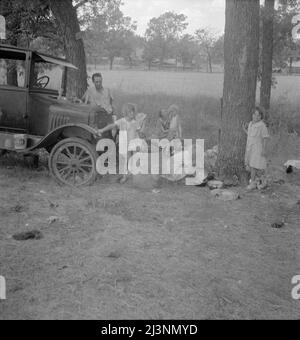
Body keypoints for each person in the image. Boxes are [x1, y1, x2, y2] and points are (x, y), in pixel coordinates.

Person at [98, 103, 143, 184]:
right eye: (130, 112)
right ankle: (125, 176)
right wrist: (102, 130)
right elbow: (112, 126)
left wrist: (142, 124)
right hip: (124, 144)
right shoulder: (121, 121)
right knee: (125, 160)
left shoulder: (135, 122)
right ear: (126, 113)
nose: (132, 113)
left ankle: (135, 174)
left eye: (133, 111)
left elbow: (139, 132)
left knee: (134, 159)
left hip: (133, 143)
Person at [243, 107, 270, 190]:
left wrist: (264, 149)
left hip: (257, 148)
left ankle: (253, 183)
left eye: (258, 115)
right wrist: (244, 129)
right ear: (252, 115)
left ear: (261, 117)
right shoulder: (251, 124)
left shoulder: (262, 126)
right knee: (251, 165)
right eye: (254, 114)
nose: (256, 117)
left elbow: (265, 138)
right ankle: (256, 181)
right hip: (250, 148)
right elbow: (250, 135)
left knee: (254, 166)